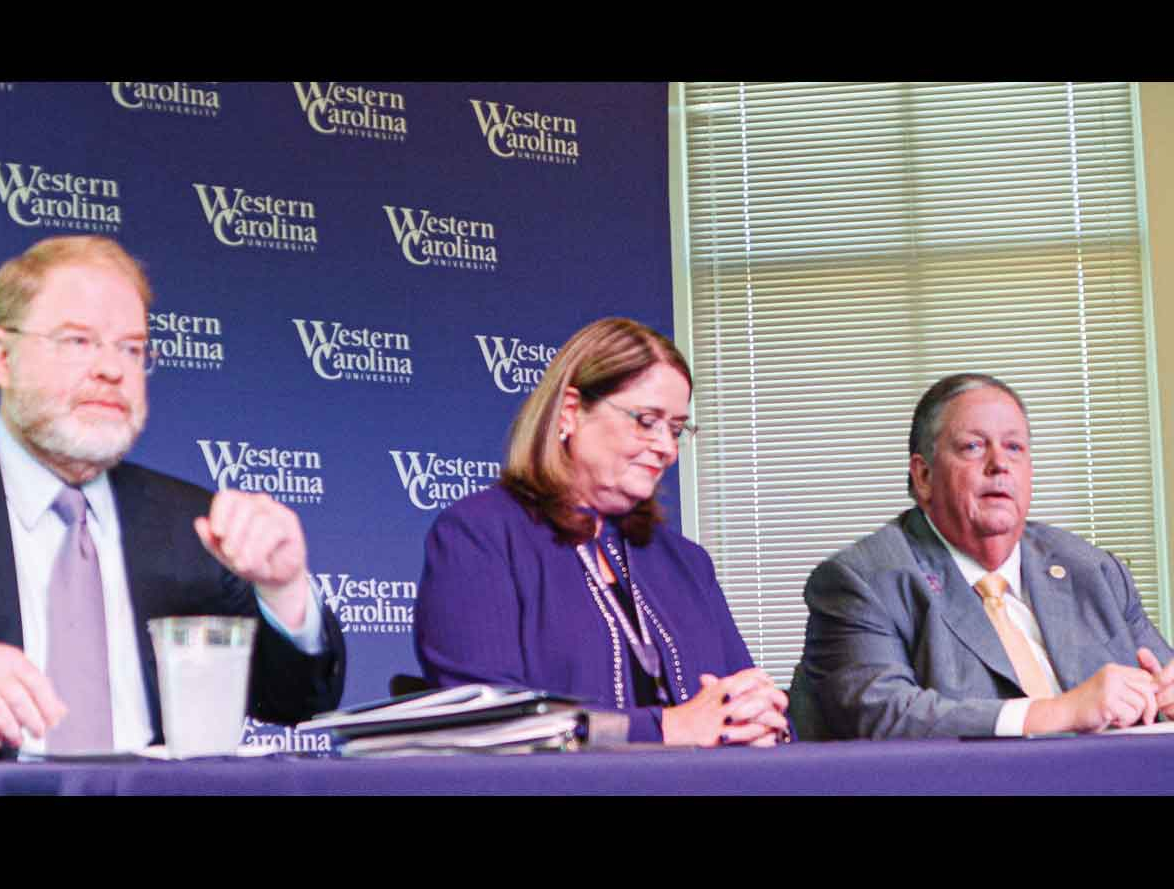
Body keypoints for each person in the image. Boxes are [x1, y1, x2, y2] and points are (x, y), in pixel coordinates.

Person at [0, 236, 345, 758]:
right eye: (78, 341)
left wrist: (283, 590)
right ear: (2, 357)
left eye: (131, 348)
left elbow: (295, 701)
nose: (112, 369)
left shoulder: (191, 523)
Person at [414, 317, 789, 746]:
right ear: (571, 412)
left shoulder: (686, 562)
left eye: (676, 428)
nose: (667, 448)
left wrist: (759, 722)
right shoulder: (480, 535)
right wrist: (666, 729)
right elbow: (487, 723)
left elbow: (741, 694)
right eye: (646, 420)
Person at [792, 372, 1174, 740]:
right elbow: (884, 714)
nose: (999, 464)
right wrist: (1060, 711)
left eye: (1014, 447)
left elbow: (1160, 677)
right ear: (923, 476)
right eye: (973, 446)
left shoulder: (1094, 571)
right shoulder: (863, 580)